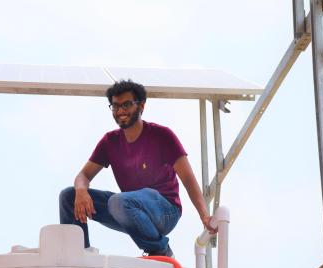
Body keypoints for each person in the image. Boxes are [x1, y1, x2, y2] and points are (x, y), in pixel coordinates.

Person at [59, 80, 216, 258]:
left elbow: (188, 179)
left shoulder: (162, 136)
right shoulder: (110, 142)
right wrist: (81, 190)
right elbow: (84, 175)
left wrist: (204, 216)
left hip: (165, 211)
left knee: (118, 201)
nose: (120, 111)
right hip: (129, 211)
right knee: (69, 196)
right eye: (115, 106)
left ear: (141, 106)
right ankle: (76, 257)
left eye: (126, 104)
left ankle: (160, 249)